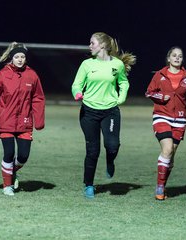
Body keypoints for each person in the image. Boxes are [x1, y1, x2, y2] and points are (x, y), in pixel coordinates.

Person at [71, 32, 136, 199]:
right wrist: (78, 93)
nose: (89, 46)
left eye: (92, 43)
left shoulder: (117, 65)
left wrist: (121, 98)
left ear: (103, 45)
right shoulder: (86, 64)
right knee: (92, 150)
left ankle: (110, 160)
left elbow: (123, 82)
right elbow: (77, 84)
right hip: (89, 112)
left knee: (112, 145)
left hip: (110, 111)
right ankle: (89, 186)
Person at [0, 42, 45, 196]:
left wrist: (39, 120)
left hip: (25, 122)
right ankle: (7, 186)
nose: (20, 59)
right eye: (17, 56)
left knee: (23, 156)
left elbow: (38, 98)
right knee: (9, 153)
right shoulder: (2, 75)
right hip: (6, 121)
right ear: (11, 58)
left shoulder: (32, 75)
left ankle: (10, 172)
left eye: (22, 57)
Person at [145, 46, 186, 200]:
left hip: (180, 119)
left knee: (171, 156)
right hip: (161, 116)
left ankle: (162, 184)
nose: (177, 58)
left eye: (180, 56)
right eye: (174, 55)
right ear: (168, 58)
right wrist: (162, 97)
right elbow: (149, 92)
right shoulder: (159, 75)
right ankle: (160, 188)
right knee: (167, 149)